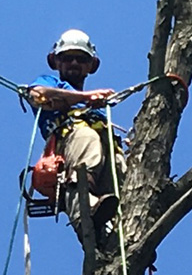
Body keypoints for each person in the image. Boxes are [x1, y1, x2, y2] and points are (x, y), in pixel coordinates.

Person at [25, 29, 125, 237]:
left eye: (81, 59)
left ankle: (125, 232)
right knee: (86, 139)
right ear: (56, 62)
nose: (74, 63)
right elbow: (37, 94)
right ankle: (85, 211)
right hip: (73, 138)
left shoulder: (99, 108)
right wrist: (85, 97)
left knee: (120, 167)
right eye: (67, 58)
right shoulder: (51, 83)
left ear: (90, 66)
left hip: (106, 149)